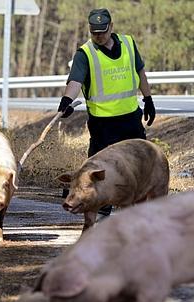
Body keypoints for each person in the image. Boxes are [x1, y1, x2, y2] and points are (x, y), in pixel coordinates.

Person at [58, 8, 155, 219]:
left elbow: (140, 72)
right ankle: (101, 215)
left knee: (140, 166)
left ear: (111, 27)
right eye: (94, 33)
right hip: (103, 126)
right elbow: (75, 81)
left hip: (130, 120)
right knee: (99, 172)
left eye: (102, 31)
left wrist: (148, 99)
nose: (99, 36)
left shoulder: (128, 43)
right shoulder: (85, 54)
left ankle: (139, 214)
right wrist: (66, 100)